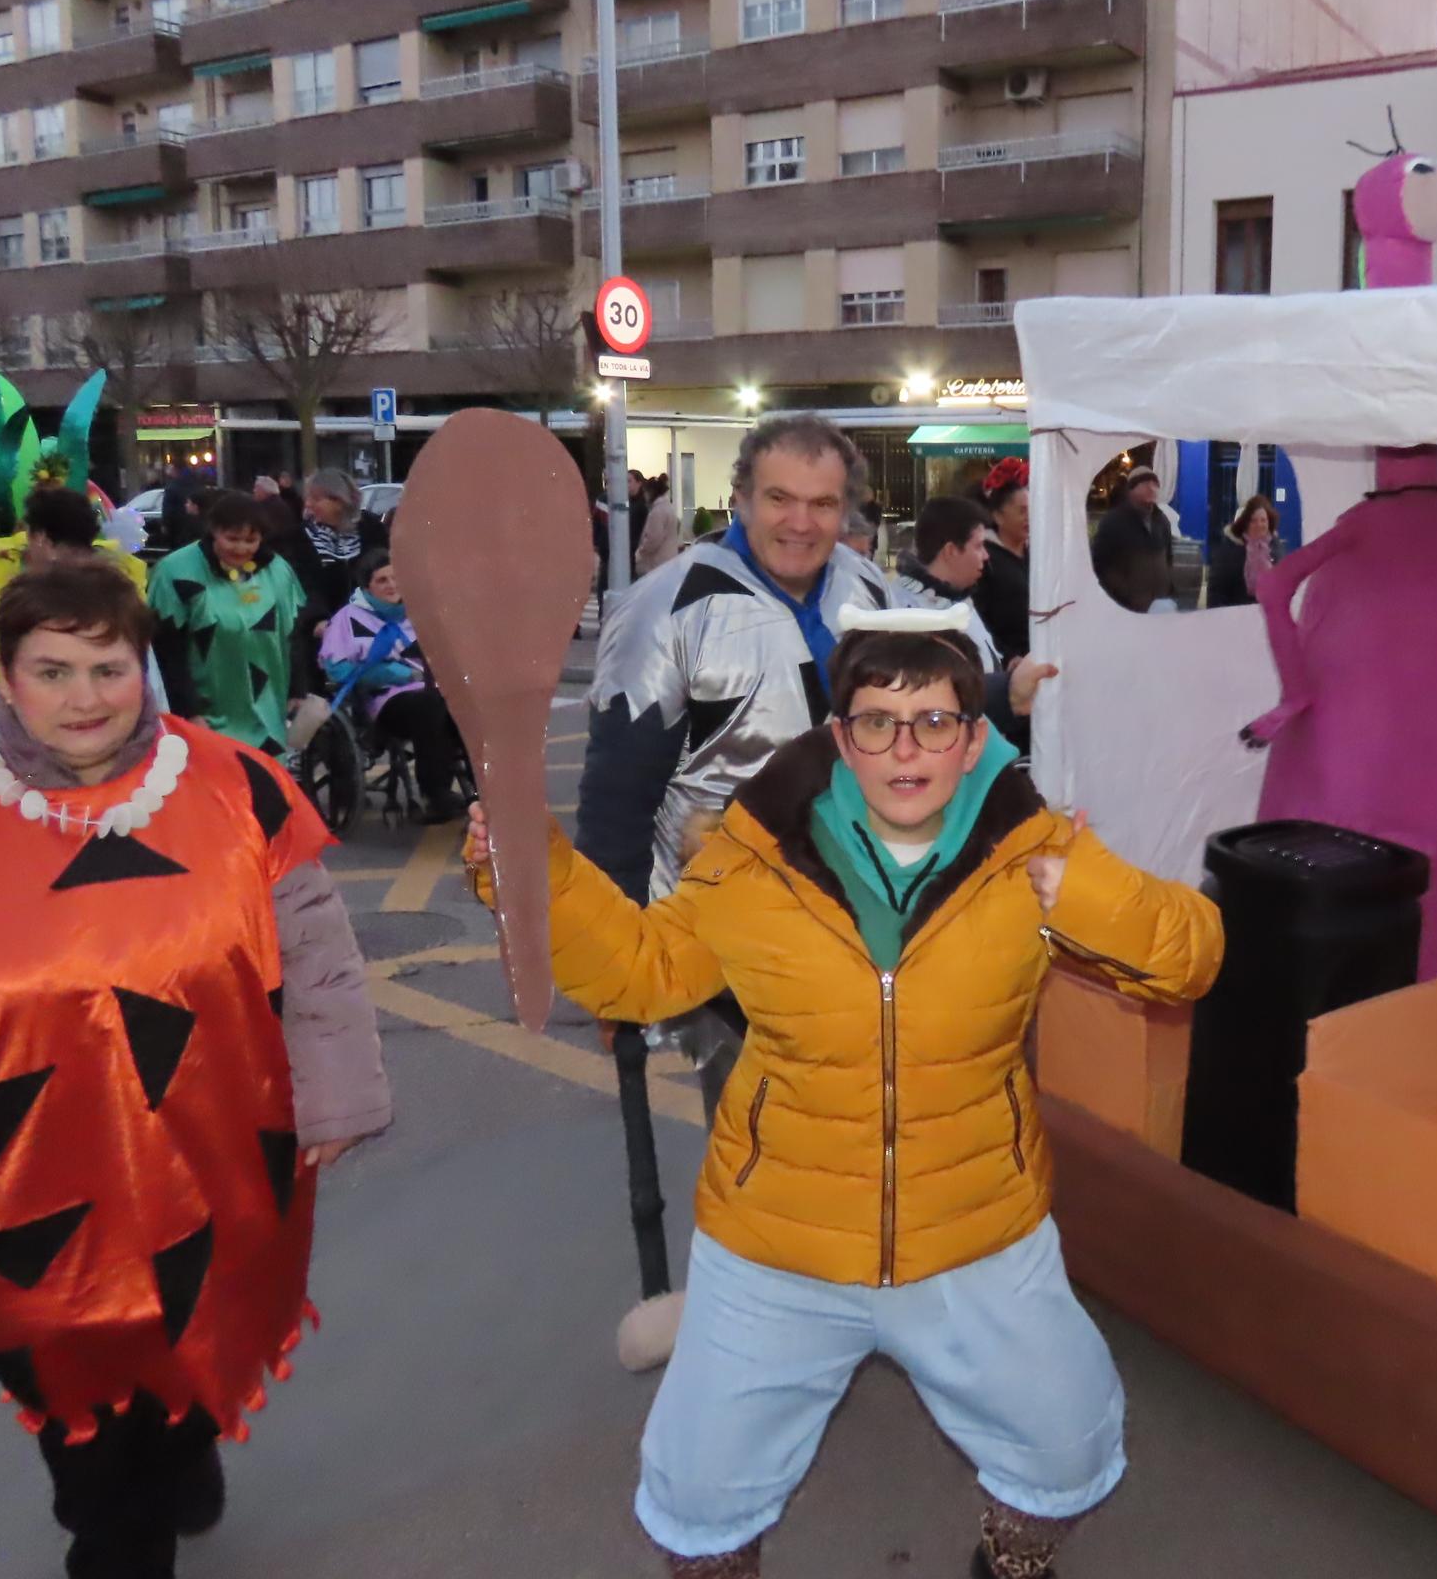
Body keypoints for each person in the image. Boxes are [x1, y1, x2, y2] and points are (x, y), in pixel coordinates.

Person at [467, 607, 1219, 1579]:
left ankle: (1012, 1560)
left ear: (974, 736)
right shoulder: (754, 861)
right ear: (838, 737)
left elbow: (1192, 960)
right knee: (697, 1491)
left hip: (974, 1230)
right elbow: (643, 973)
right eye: (877, 721)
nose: (906, 749)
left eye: (935, 722)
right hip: (778, 1235)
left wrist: (1088, 894)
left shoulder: (1035, 857)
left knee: (1065, 1442)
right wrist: (542, 873)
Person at [0, 561, 389, 1579]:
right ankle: (116, 1513)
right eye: (53, 670)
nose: (83, 699)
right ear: (5, 676)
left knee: (194, 1326)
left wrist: (337, 1086)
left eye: (106, 667)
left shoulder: (236, 785)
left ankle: (181, 1438)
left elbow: (315, 954)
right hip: (12, 1180)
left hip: (215, 1154)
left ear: (144, 667)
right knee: (76, 1393)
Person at [579, 415, 891, 1367]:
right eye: (781, 499)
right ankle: (756, 1329)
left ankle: (836, 1298)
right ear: (741, 497)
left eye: (824, 502)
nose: (802, 522)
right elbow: (616, 803)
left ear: (848, 508)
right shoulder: (667, 607)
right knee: (754, 1137)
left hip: (862, 922)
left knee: (855, 1121)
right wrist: (613, 963)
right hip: (725, 935)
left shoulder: (872, 593)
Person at [147, 491, 310, 756]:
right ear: (213, 530)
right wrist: (188, 710)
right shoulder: (176, 572)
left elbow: (293, 632)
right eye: (232, 539)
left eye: (251, 540)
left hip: (268, 709)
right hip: (208, 709)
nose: (242, 548)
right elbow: (168, 651)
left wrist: (298, 688)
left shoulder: (278, 571)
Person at [317, 551, 468, 824]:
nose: (392, 585)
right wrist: (393, 673)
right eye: (382, 580)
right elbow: (337, 668)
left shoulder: (418, 613)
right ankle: (435, 793)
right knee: (431, 706)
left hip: (435, 691)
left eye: (397, 578)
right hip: (384, 701)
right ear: (366, 587)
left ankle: (485, 790)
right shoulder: (350, 618)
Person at [892, 494, 1056, 733]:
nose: (987, 556)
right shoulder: (907, 614)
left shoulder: (958, 596)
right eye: (978, 546)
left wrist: (1008, 666)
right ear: (950, 551)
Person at [281, 469, 389, 636]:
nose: (308, 504)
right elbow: (301, 587)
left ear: (339, 501)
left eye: (316, 499)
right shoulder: (297, 540)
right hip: (322, 636)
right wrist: (317, 620)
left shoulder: (373, 531)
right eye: (308, 498)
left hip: (375, 628)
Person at [1089, 467, 1174, 614]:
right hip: (1126, 609)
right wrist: (1126, 596)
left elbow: (1168, 558)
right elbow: (1100, 565)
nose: (1151, 488)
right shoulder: (1113, 522)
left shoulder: (1162, 521)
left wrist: (1169, 593)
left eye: (1155, 484)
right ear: (1132, 490)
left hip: (1160, 607)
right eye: (1145, 484)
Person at [975, 459, 1032, 661]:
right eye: (1022, 511)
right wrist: (1006, 656)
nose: (1029, 517)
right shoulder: (984, 559)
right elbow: (980, 619)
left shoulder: (1035, 554)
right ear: (998, 516)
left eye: (1031, 510)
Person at [1207, 494, 1281, 609]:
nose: (1259, 525)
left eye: (1263, 520)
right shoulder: (1228, 550)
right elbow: (1216, 591)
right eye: (1253, 521)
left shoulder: (1276, 548)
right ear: (1245, 524)